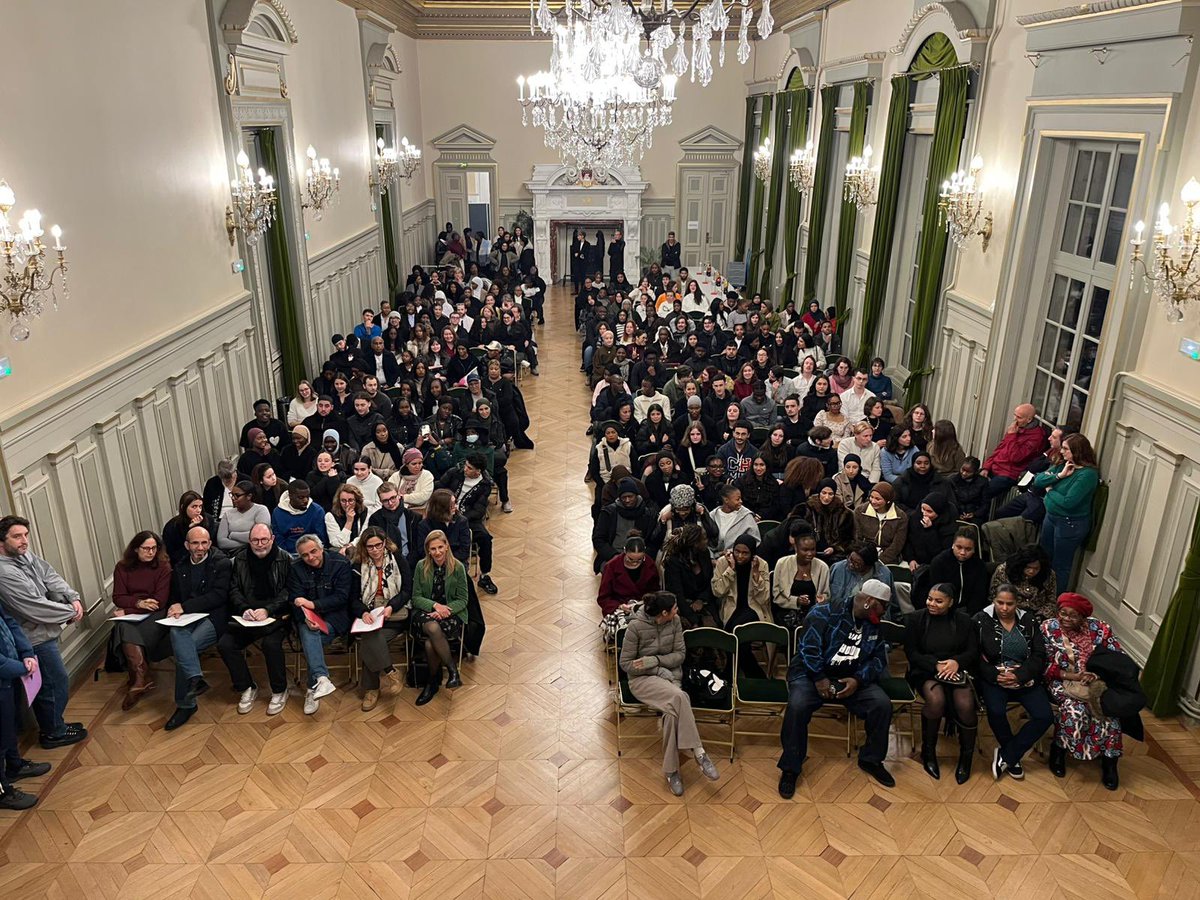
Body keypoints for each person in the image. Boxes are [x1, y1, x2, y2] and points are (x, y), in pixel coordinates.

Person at [778, 579, 895, 796]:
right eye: (883, 606)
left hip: (850, 677)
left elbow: (878, 659)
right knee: (797, 705)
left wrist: (858, 680)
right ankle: (790, 767)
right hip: (811, 674)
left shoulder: (875, 623)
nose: (885, 611)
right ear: (869, 601)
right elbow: (808, 649)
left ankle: (871, 760)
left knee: (881, 704)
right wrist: (820, 679)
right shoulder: (824, 613)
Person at [619, 591, 720, 796]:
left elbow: (680, 655)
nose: (677, 611)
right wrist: (655, 669)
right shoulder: (635, 627)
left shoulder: (674, 622)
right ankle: (699, 752)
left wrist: (655, 661)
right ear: (663, 612)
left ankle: (671, 770)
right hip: (642, 680)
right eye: (674, 608)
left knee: (672, 714)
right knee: (681, 698)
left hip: (672, 677)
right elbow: (626, 664)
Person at [0, 516, 87, 748]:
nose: (24, 541)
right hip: (32, 638)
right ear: (1, 542)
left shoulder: (22, 553)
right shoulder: (4, 573)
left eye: (25, 535)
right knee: (53, 682)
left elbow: (49, 574)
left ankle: (56, 724)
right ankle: (53, 733)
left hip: (44, 630)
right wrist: (69, 612)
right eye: (17, 536)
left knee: (52, 682)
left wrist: (72, 596)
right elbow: (33, 607)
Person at [1042, 592, 1125, 790]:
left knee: (1107, 715)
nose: (1066, 619)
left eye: (1073, 615)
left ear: (1083, 617)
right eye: (1063, 613)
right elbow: (1042, 664)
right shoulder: (1048, 628)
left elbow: (1117, 659)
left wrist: (1096, 675)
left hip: (1095, 683)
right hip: (1062, 681)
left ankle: (1109, 761)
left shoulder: (1100, 629)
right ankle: (1059, 750)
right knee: (1074, 712)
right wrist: (1074, 676)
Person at [974, 583, 1052, 779]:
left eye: (1010, 604)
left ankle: (1008, 755)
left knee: (1044, 716)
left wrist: (1020, 675)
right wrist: (994, 674)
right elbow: (973, 656)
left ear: (1017, 603)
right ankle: (1012, 755)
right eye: (1000, 603)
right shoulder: (980, 621)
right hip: (994, 677)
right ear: (993, 600)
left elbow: (1039, 655)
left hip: (1024, 677)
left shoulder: (1029, 620)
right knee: (996, 711)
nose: (1005, 608)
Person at [905, 583, 978, 783]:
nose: (932, 604)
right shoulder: (916, 619)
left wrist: (956, 662)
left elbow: (972, 651)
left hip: (956, 669)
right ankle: (928, 753)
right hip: (926, 669)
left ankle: (966, 757)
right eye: (930, 599)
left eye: (939, 601)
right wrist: (935, 665)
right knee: (936, 700)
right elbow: (911, 653)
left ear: (950, 602)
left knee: (965, 703)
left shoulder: (964, 621)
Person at [218, 523, 293, 716]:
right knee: (226, 644)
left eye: (264, 540)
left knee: (270, 644)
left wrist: (267, 610)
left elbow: (288, 592)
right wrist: (244, 609)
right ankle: (246, 687)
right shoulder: (239, 559)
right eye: (255, 540)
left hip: (276, 616)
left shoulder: (285, 559)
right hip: (247, 616)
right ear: (249, 541)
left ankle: (279, 690)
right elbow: (233, 589)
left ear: (272, 539)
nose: (260, 544)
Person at [162, 526, 232, 731]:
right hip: (186, 617)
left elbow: (219, 596)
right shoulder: (181, 566)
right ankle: (195, 681)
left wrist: (184, 606)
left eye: (204, 543)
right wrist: (174, 609)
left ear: (210, 544)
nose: (200, 547)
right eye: (195, 543)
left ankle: (186, 704)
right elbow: (174, 595)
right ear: (187, 545)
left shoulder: (221, 563)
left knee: (186, 648)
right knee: (177, 634)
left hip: (214, 616)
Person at [289, 534, 354, 715]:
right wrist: (306, 616)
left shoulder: (340, 563)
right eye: (304, 555)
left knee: (311, 641)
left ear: (322, 547)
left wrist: (313, 605)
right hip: (308, 619)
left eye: (314, 551)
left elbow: (342, 598)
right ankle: (321, 679)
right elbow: (294, 599)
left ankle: (313, 685)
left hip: (335, 617)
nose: (310, 557)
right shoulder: (295, 568)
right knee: (309, 633)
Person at [110, 530, 171, 711]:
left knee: (125, 626)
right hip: (135, 611)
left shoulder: (163, 567)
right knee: (125, 626)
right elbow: (118, 597)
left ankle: (139, 678)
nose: (151, 552)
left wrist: (128, 609)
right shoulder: (122, 567)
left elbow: (159, 601)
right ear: (136, 549)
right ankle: (140, 676)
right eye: (146, 549)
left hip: (156, 614)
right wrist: (138, 603)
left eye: (154, 548)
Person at [352, 527, 411, 711]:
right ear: (364, 547)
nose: (375, 550)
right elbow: (352, 597)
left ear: (385, 543)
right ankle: (390, 672)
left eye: (378, 545)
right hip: (369, 615)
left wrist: (391, 606)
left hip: (394, 614)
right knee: (370, 637)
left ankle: (371, 690)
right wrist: (363, 612)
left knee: (369, 641)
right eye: (370, 547)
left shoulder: (398, 559)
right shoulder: (357, 564)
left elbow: (408, 589)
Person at [1032, 433, 1100, 592]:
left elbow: (1069, 502)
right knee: (1044, 558)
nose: (1061, 451)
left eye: (1065, 449)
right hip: (1051, 518)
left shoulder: (1088, 475)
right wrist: (1059, 475)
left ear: (1077, 451)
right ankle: (1041, 593)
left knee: (1060, 566)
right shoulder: (1065, 465)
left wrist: (1050, 492)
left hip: (1070, 524)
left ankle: (1056, 599)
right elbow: (1039, 480)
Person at [0, 603, 49, 810]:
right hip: (7, 674)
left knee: (9, 728)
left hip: (10, 678)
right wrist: (21, 668)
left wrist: (27, 653)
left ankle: (14, 765)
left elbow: (10, 622)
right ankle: (2, 791)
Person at [411, 530, 468, 706]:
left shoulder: (458, 567)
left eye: (440, 547)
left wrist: (445, 611)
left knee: (430, 643)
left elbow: (463, 600)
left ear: (447, 546)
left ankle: (432, 681)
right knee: (432, 628)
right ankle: (452, 671)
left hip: (450, 613)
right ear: (428, 550)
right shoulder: (421, 566)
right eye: (433, 549)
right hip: (426, 612)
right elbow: (416, 598)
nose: (437, 552)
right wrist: (435, 606)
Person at [437, 455, 499, 595]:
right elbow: (439, 487)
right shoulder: (455, 472)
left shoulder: (485, 485)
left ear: (478, 471)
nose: (465, 469)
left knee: (485, 538)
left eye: (469, 468)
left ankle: (484, 576)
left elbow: (478, 511)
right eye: (465, 465)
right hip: (442, 514)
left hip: (467, 519)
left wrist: (459, 517)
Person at [981, 403, 1048, 502]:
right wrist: (986, 467)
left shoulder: (1036, 437)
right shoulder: (1017, 428)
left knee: (982, 493)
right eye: (1015, 415)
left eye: (1019, 417)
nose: (1015, 419)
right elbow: (1000, 448)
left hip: (1008, 474)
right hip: (996, 466)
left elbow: (1016, 457)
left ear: (1029, 420)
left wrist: (1012, 436)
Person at [914, 528, 990, 614]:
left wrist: (968, 616)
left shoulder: (979, 566)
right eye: (959, 547)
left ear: (974, 550)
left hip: (969, 612)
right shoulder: (939, 562)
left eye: (968, 549)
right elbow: (936, 592)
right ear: (953, 545)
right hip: (942, 611)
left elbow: (979, 595)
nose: (962, 552)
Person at [771, 526, 830, 631]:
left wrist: (821, 600)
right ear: (796, 548)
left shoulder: (823, 567)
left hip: (813, 611)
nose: (810, 553)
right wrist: (797, 601)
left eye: (813, 549)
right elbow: (777, 596)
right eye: (805, 550)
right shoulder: (782, 563)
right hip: (786, 610)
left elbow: (826, 594)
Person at [659, 524, 718, 629]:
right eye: (704, 539)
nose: (707, 541)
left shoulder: (704, 554)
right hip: (682, 606)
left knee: (713, 627)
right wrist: (692, 619)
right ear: (695, 543)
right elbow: (677, 594)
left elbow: (711, 581)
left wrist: (701, 600)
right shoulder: (673, 561)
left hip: (704, 602)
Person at [594, 478, 658, 572]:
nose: (627, 500)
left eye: (630, 496)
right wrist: (613, 556)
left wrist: (640, 556)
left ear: (636, 495)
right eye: (624, 497)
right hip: (613, 555)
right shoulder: (609, 513)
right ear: (619, 498)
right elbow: (598, 538)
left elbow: (653, 541)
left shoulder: (648, 514)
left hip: (639, 556)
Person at [989, 544, 1058, 622]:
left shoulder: (1048, 574)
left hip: (1039, 616)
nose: (1031, 571)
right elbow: (994, 597)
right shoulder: (1004, 571)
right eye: (1028, 567)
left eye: (1036, 568)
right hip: (1009, 613)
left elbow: (1051, 601)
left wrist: (1040, 617)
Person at [597, 535, 660, 617]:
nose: (635, 563)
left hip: (643, 608)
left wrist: (644, 603)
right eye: (631, 559)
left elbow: (655, 591)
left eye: (640, 559)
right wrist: (619, 606)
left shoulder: (649, 564)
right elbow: (603, 597)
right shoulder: (611, 566)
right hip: (618, 609)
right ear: (624, 551)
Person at [852, 483, 908, 565]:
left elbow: (897, 545)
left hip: (890, 558)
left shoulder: (900, 517)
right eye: (871, 497)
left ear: (888, 500)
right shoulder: (860, 512)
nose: (873, 501)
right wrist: (867, 556)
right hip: (864, 554)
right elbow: (857, 538)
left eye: (878, 499)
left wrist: (881, 560)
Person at [828, 544, 894, 608]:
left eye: (857, 563)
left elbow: (890, 605)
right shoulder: (838, 568)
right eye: (850, 559)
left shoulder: (884, 575)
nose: (851, 564)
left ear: (869, 565)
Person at [271, 480, 327, 553]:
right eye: (301, 497)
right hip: (287, 554)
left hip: (312, 553)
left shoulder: (317, 511)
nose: (306, 500)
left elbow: (320, 538)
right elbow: (278, 538)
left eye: (308, 496)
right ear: (290, 496)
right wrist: (286, 555)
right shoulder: (278, 512)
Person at [163, 490, 216, 564]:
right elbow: (172, 552)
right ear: (183, 507)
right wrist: (190, 529)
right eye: (194, 507)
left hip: (208, 558)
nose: (198, 510)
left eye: (200, 506)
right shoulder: (172, 525)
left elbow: (212, 544)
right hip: (182, 561)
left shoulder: (208, 520)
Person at [806, 478, 853, 562]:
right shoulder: (808, 509)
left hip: (835, 555)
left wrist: (834, 548)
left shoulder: (843, 513)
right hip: (810, 552)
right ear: (819, 492)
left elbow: (847, 538)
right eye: (824, 493)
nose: (826, 497)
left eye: (830, 494)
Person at [216, 480, 271, 551]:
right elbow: (221, 542)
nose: (233, 498)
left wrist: (232, 535)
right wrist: (249, 543)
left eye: (237, 495)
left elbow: (260, 535)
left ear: (249, 496)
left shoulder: (261, 510)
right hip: (233, 554)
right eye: (232, 495)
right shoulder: (228, 514)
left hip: (257, 551)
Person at [710, 484, 761, 552]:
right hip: (713, 558)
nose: (741, 501)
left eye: (740, 498)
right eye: (737, 499)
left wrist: (734, 552)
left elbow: (756, 541)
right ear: (726, 500)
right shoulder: (712, 516)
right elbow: (705, 542)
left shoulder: (746, 516)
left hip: (738, 558)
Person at [325, 482, 368, 555]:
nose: (347, 504)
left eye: (350, 500)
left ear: (357, 500)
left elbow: (364, 535)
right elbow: (337, 543)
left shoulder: (365, 512)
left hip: (359, 547)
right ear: (339, 501)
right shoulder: (330, 516)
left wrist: (352, 545)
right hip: (339, 551)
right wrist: (349, 521)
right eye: (343, 501)